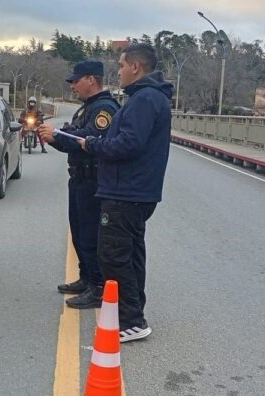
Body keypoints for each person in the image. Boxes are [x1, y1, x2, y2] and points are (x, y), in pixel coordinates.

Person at [77, 44, 173, 342]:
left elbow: (129, 143)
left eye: (120, 66)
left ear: (135, 67)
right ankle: (132, 314)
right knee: (130, 255)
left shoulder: (145, 100)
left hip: (127, 192)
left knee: (114, 256)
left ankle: (131, 320)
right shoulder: (148, 97)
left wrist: (94, 145)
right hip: (136, 191)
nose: (118, 72)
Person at [38, 60, 120, 309]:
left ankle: (97, 286)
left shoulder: (105, 108)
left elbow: (89, 138)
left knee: (91, 234)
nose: (72, 86)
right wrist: (55, 138)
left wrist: (57, 136)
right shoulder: (86, 108)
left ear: (91, 80)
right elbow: (73, 135)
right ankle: (86, 278)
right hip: (79, 178)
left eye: (76, 81)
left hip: (94, 180)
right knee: (79, 231)